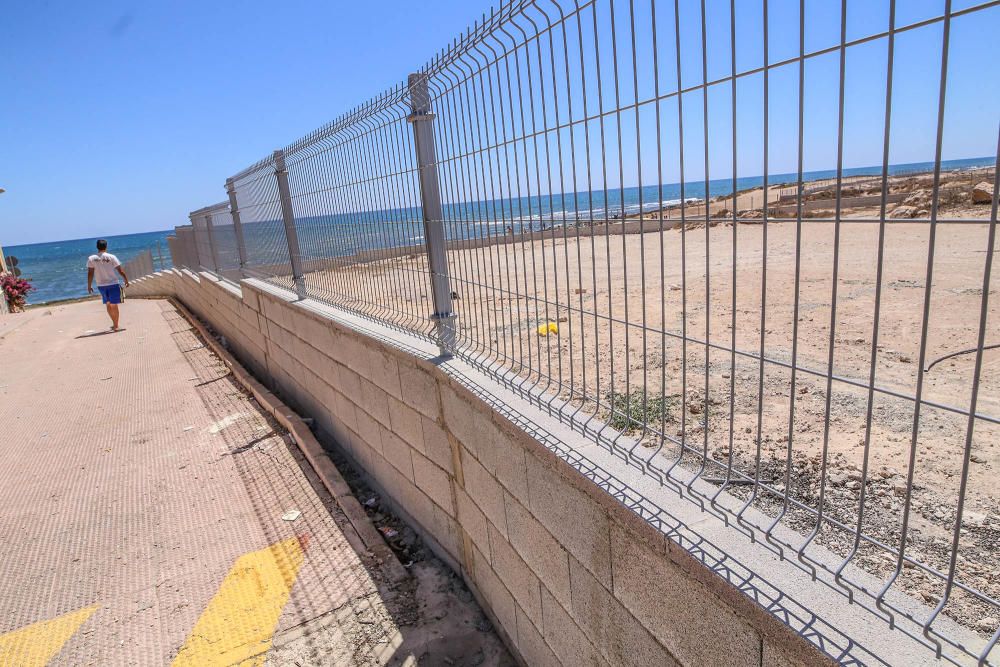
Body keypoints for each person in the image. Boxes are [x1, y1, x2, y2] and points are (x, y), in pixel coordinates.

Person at [86, 239, 130, 331]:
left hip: (101, 285)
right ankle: (116, 325)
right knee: (114, 305)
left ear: (97, 247)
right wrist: (126, 279)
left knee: (108, 304)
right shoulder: (111, 257)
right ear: (106, 246)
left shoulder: (91, 258)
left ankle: (114, 324)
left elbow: (90, 273)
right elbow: (120, 270)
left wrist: (89, 286)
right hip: (113, 283)